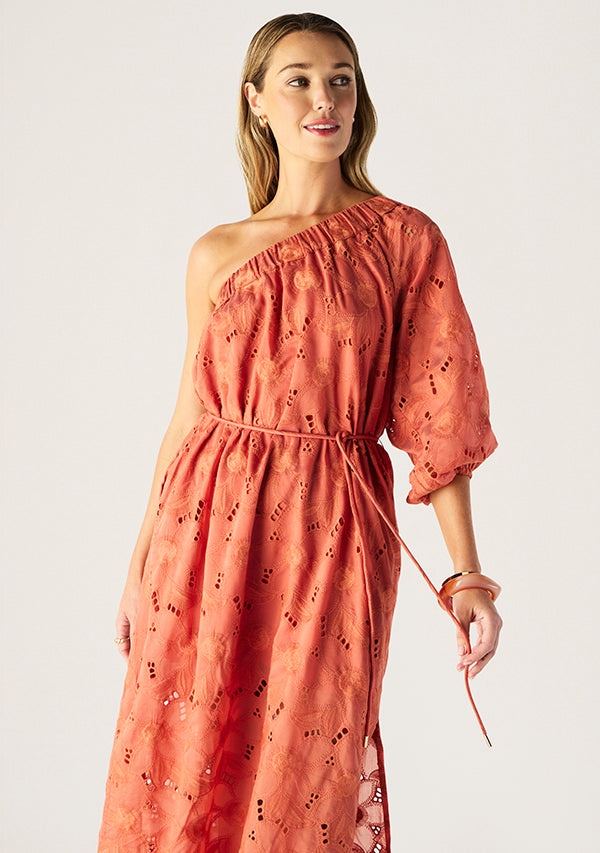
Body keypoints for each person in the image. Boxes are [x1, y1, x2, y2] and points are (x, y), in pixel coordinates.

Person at [97, 12, 502, 852]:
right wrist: (141, 562)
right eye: (301, 79)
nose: (326, 98)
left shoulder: (403, 239)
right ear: (256, 102)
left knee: (306, 760)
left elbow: (440, 413)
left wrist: (468, 574)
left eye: (342, 78)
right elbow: (190, 412)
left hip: (336, 532)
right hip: (204, 532)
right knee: (190, 751)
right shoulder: (217, 252)